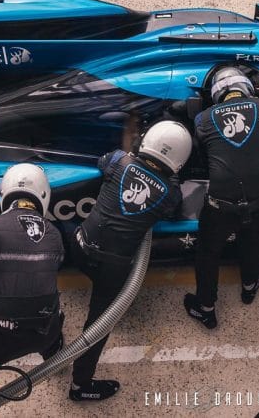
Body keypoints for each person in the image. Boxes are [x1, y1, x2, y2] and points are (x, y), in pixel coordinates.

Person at [69, 120, 193, 401]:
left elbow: (102, 161)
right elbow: (174, 210)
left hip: (79, 245)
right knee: (97, 327)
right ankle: (80, 385)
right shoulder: (170, 194)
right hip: (112, 269)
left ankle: (52, 347)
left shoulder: (118, 160)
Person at [184, 67, 259, 328]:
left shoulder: (202, 120)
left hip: (221, 204)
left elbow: (198, 159)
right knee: (251, 239)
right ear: (246, 88)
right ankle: (250, 286)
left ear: (217, 94)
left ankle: (206, 307)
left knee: (208, 252)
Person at [0, 163, 64, 371]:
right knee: (55, 329)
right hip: (46, 330)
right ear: (44, 196)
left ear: (4, 194)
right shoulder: (54, 233)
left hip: (1, 336)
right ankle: (55, 360)